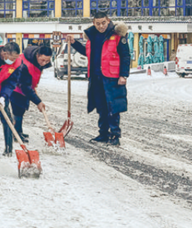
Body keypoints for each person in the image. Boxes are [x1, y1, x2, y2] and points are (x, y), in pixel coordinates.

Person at [66, 11, 130, 146]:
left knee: (113, 106)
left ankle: (115, 135)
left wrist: (123, 75)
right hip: (96, 77)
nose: (101, 26)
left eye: (103, 23)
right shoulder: (92, 36)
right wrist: (74, 43)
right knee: (101, 106)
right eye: (98, 23)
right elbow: (87, 52)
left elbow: (125, 56)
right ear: (93, 23)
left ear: (108, 21)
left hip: (112, 77)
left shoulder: (117, 35)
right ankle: (103, 134)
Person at [11, 44, 52, 143]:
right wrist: (38, 102)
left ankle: (19, 131)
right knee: (18, 109)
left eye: (47, 61)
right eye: (42, 60)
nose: (44, 63)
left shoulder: (36, 60)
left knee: (22, 109)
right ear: (37, 55)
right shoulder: (23, 65)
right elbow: (25, 87)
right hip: (15, 86)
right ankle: (16, 134)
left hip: (25, 85)